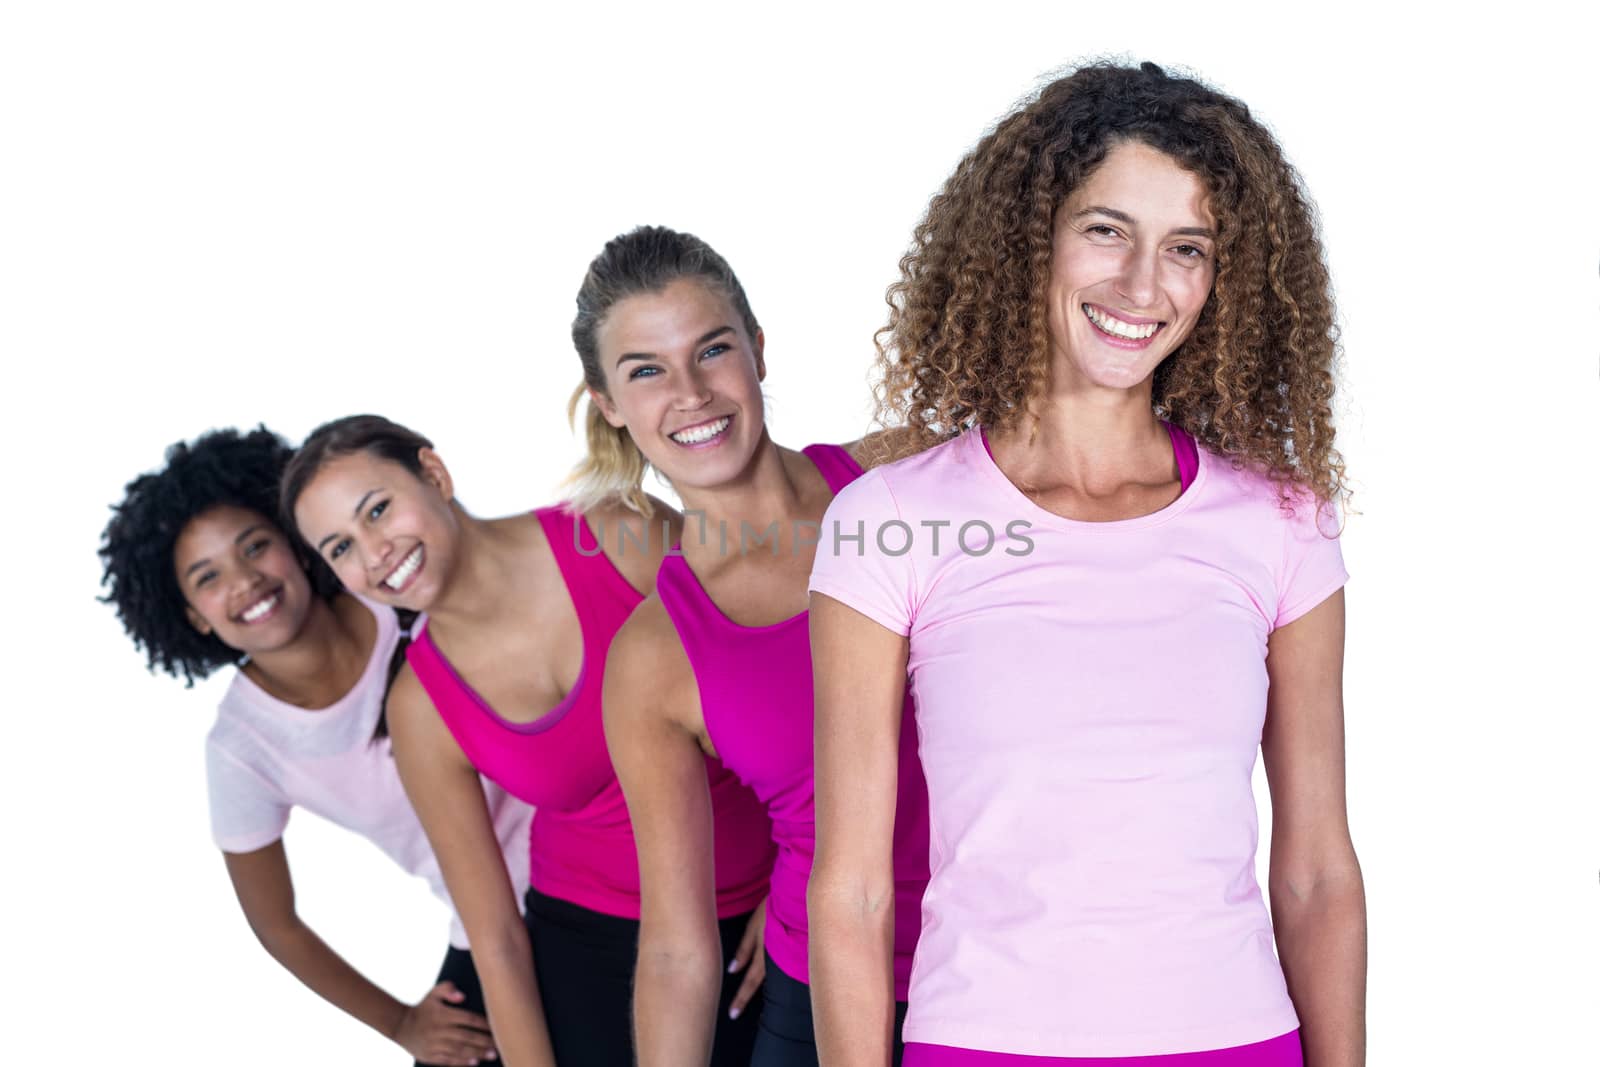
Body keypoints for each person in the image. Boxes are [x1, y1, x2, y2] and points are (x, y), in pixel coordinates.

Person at [807, 62, 1366, 1067]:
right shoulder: (889, 520)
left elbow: (1317, 869)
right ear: (1029, 241)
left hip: (1236, 1041)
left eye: (1185, 248)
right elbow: (847, 891)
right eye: (1106, 230)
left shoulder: (1282, 524)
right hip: (981, 1043)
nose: (1142, 285)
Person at [284, 415, 774, 1067]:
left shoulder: (616, 533)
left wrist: (800, 878)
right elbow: (495, 940)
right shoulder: (420, 707)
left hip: (768, 901)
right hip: (592, 940)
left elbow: (795, 684)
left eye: (377, 510)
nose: (374, 552)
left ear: (434, 473)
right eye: (340, 547)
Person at [590, 225, 931, 1067]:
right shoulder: (653, 655)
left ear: (759, 352)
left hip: (1020, 962)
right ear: (609, 405)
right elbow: (675, 944)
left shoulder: (909, 474)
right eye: (646, 371)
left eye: (712, 350)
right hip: (822, 1001)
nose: (691, 393)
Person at [98, 426, 533, 1067]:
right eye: (208, 578)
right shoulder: (242, 749)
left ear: (296, 545)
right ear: (192, 614)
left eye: (255, 547)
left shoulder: (397, 590)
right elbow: (277, 924)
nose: (244, 581)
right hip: (492, 927)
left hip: (597, 863)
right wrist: (401, 1024)